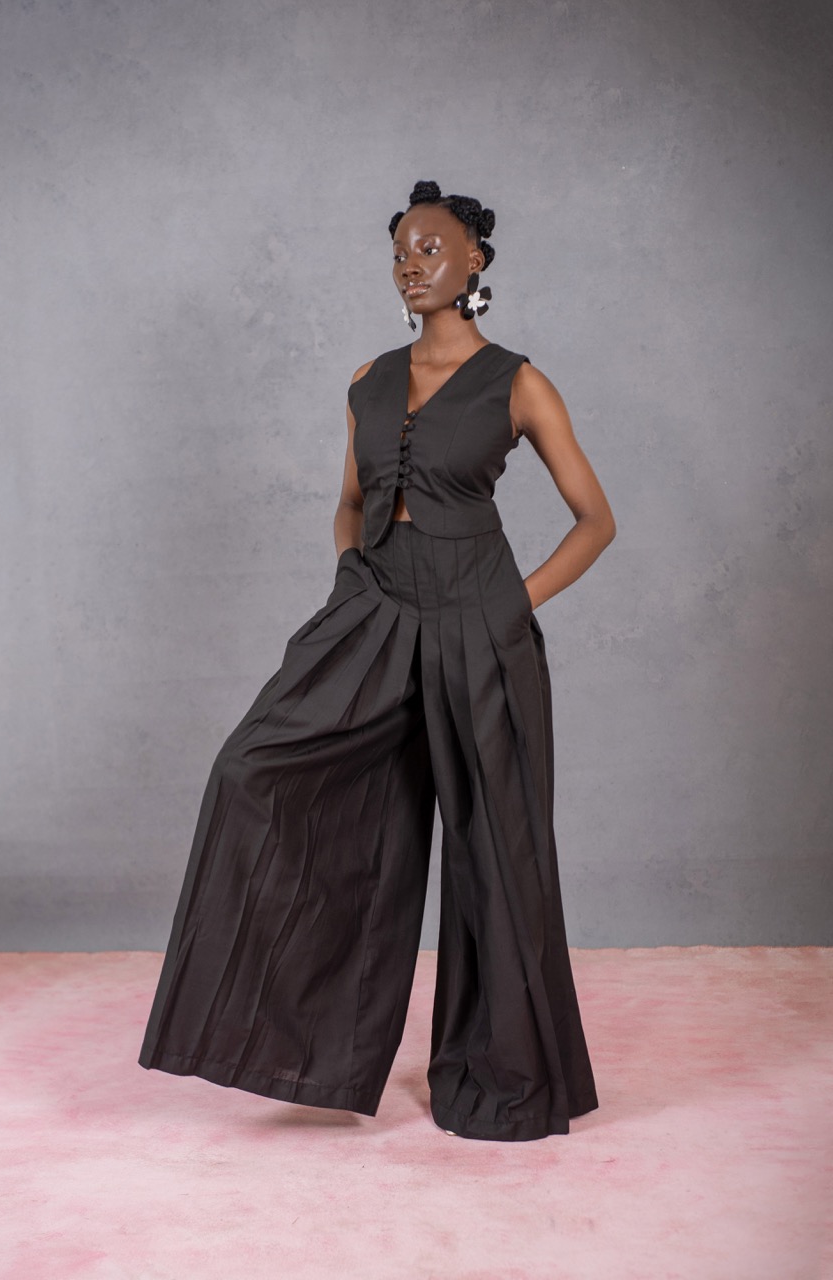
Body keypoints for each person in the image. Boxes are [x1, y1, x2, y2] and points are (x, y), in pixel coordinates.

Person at [138, 179, 616, 1143]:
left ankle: (503, 1079)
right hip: (377, 613)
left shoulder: (519, 382)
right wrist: (353, 573)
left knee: (496, 855)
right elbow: (351, 503)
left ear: (475, 260)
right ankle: (309, 1049)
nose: (412, 263)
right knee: (253, 772)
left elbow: (595, 520)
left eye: (431, 248)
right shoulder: (368, 378)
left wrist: (508, 605)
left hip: (479, 625)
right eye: (401, 250)